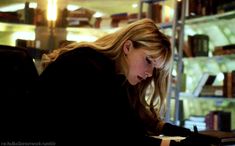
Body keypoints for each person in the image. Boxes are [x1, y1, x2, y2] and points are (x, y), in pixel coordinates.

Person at [36, 18, 212, 145]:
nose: (150, 73)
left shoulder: (115, 74)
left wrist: (168, 129)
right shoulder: (87, 67)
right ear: (127, 47)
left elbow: (133, 120)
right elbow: (126, 135)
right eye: (148, 61)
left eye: (155, 68)